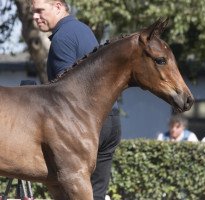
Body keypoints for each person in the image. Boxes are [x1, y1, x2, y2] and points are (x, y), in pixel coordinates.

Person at [31, 0, 121, 199]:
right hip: (111, 120)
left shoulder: (62, 38)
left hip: (85, 125)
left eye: (39, 11)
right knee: (96, 194)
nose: (35, 17)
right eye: (32, 12)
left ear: (58, 6)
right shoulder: (83, 29)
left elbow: (67, 97)